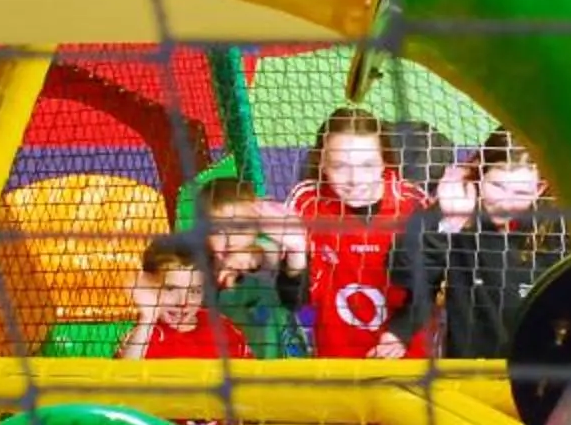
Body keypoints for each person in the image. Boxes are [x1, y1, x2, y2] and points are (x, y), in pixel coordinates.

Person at [396, 128, 562, 359]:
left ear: (540, 189)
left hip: (539, 367)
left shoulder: (558, 229)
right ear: (481, 174)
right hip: (468, 367)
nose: (505, 202)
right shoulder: (456, 205)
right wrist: (450, 220)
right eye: (497, 186)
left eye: (521, 192)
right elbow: (403, 273)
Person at [285, 106, 430, 359]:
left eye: (367, 165)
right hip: (337, 358)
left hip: (408, 356)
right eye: (340, 166)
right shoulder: (305, 202)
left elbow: (436, 284)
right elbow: (292, 292)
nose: (355, 180)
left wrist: (400, 333)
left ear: (384, 161)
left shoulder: (412, 205)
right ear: (322, 163)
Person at [192, 178, 308, 359]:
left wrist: (252, 256)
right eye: (218, 231)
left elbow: (269, 255)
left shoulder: (266, 252)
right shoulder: (199, 271)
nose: (231, 240)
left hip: (281, 362)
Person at [117, 232, 253, 362]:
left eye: (194, 291)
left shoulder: (223, 329)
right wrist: (147, 319)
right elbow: (125, 379)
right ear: (149, 285)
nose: (183, 302)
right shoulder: (143, 337)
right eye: (170, 289)